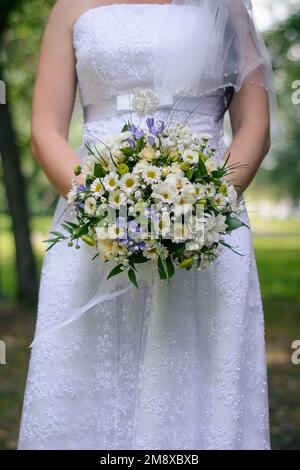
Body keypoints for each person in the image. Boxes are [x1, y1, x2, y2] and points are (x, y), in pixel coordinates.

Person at [18, 0, 272, 450]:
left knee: (193, 369)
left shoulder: (225, 7)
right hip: (93, 223)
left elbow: (254, 125)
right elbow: (45, 131)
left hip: (206, 226)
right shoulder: (70, 6)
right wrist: (100, 205)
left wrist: (205, 206)